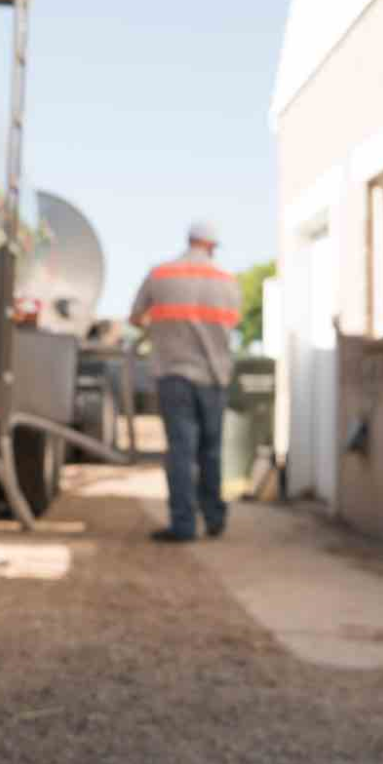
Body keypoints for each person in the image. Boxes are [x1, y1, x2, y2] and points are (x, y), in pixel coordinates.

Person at [129, 219, 241, 543]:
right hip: (214, 376)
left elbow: (136, 317)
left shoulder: (160, 274)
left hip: (173, 374)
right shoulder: (226, 280)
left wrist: (162, 330)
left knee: (180, 451)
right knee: (211, 450)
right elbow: (231, 322)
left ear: (189, 240)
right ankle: (215, 518)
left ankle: (183, 525)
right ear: (211, 246)